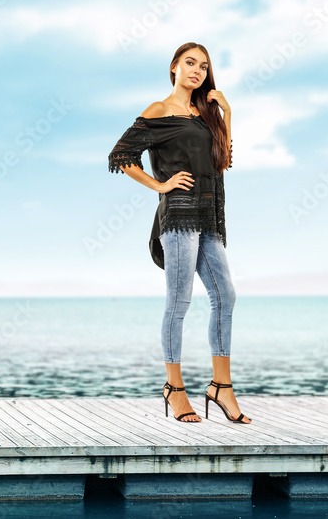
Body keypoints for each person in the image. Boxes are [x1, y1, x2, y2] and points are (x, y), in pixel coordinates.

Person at [108, 42, 250, 424]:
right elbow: (120, 156)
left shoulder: (206, 115)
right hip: (179, 215)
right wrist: (160, 185)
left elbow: (223, 160)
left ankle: (221, 386)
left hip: (210, 215)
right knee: (179, 300)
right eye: (190, 63)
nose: (197, 70)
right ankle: (175, 386)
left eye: (203, 66)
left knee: (226, 295)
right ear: (174, 67)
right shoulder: (159, 111)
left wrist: (227, 115)